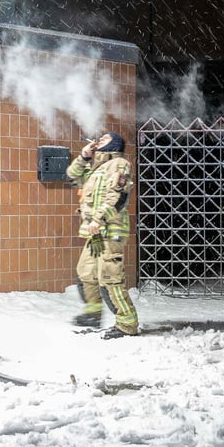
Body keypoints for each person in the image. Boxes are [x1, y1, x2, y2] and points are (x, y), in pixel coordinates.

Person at [66, 131, 138, 339]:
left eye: (105, 139)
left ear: (114, 144)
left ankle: (127, 323)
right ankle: (93, 314)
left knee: (110, 277)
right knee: (86, 273)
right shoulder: (95, 168)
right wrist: (84, 157)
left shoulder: (120, 164)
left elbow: (118, 196)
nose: (99, 141)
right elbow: (72, 176)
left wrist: (98, 219)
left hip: (109, 230)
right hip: (95, 234)